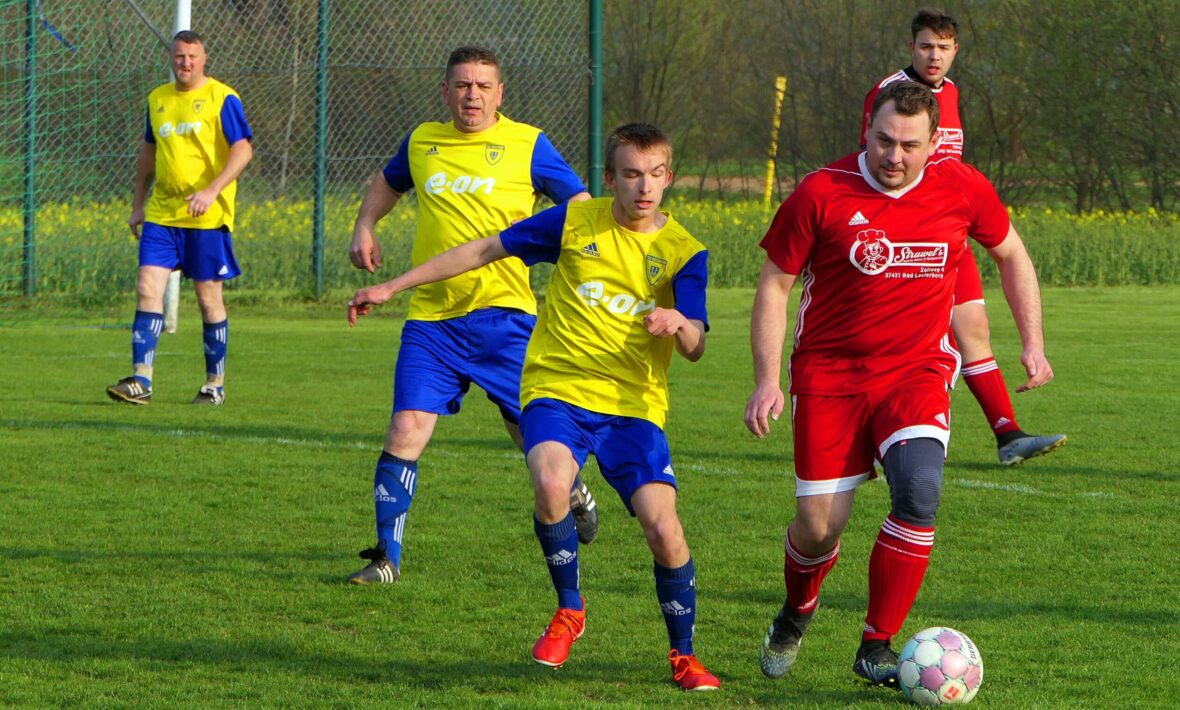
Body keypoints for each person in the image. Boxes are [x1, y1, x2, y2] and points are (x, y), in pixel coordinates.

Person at [348, 123, 720, 691]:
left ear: (669, 177)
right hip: (557, 389)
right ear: (610, 178)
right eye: (630, 174)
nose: (643, 187)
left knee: (662, 528)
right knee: (550, 484)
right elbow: (483, 249)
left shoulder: (685, 252)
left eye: (654, 174)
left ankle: (684, 656)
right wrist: (392, 287)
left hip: (633, 405)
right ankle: (570, 609)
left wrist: (679, 323)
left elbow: (696, 345)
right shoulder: (574, 221)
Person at [747, 82, 1055, 687]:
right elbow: (775, 285)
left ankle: (876, 643)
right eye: (884, 140)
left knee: (918, 490)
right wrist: (766, 379)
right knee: (818, 529)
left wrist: (1033, 342)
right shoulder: (821, 191)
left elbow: (1013, 255)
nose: (894, 156)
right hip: (830, 376)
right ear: (868, 130)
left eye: (909, 146)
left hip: (916, 372)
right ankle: (797, 611)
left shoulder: (961, 187)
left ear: (934, 142)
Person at [343, 46, 598, 585]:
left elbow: (580, 202)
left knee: (529, 431)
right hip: (432, 321)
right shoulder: (422, 141)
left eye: (483, 86)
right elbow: (388, 182)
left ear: (500, 93)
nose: (472, 95)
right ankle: (386, 558)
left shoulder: (528, 144)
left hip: (505, 317)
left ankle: (572, 488)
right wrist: (365, 224)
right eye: (462, 85)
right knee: (405, 428)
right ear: (446, 92)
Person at [860, 8, 1065, 466]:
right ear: (911, 47)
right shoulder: (889, 93)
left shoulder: (949, 93)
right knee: (893, 340)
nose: (934, 56)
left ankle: (1008, 435)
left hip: (948, 230)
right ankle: (877, 433)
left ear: (955, 50)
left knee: (974, 329)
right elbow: (873, 164)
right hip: (902, 238)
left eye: (943, 47)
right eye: (925, 46)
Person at [106, 30, 253, 406]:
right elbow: (148, 153)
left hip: (206, 218)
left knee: (207, 299)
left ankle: (214, 384)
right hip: (162, 214)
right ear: (171, 59)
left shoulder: (222, 97)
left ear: (204, 59)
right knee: (146, 289)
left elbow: (243, 150)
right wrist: (138, 204)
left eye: (192, 56)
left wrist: (212, 190)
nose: (185, 62)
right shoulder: (158, 99)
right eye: (178, 56)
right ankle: (141, 380)